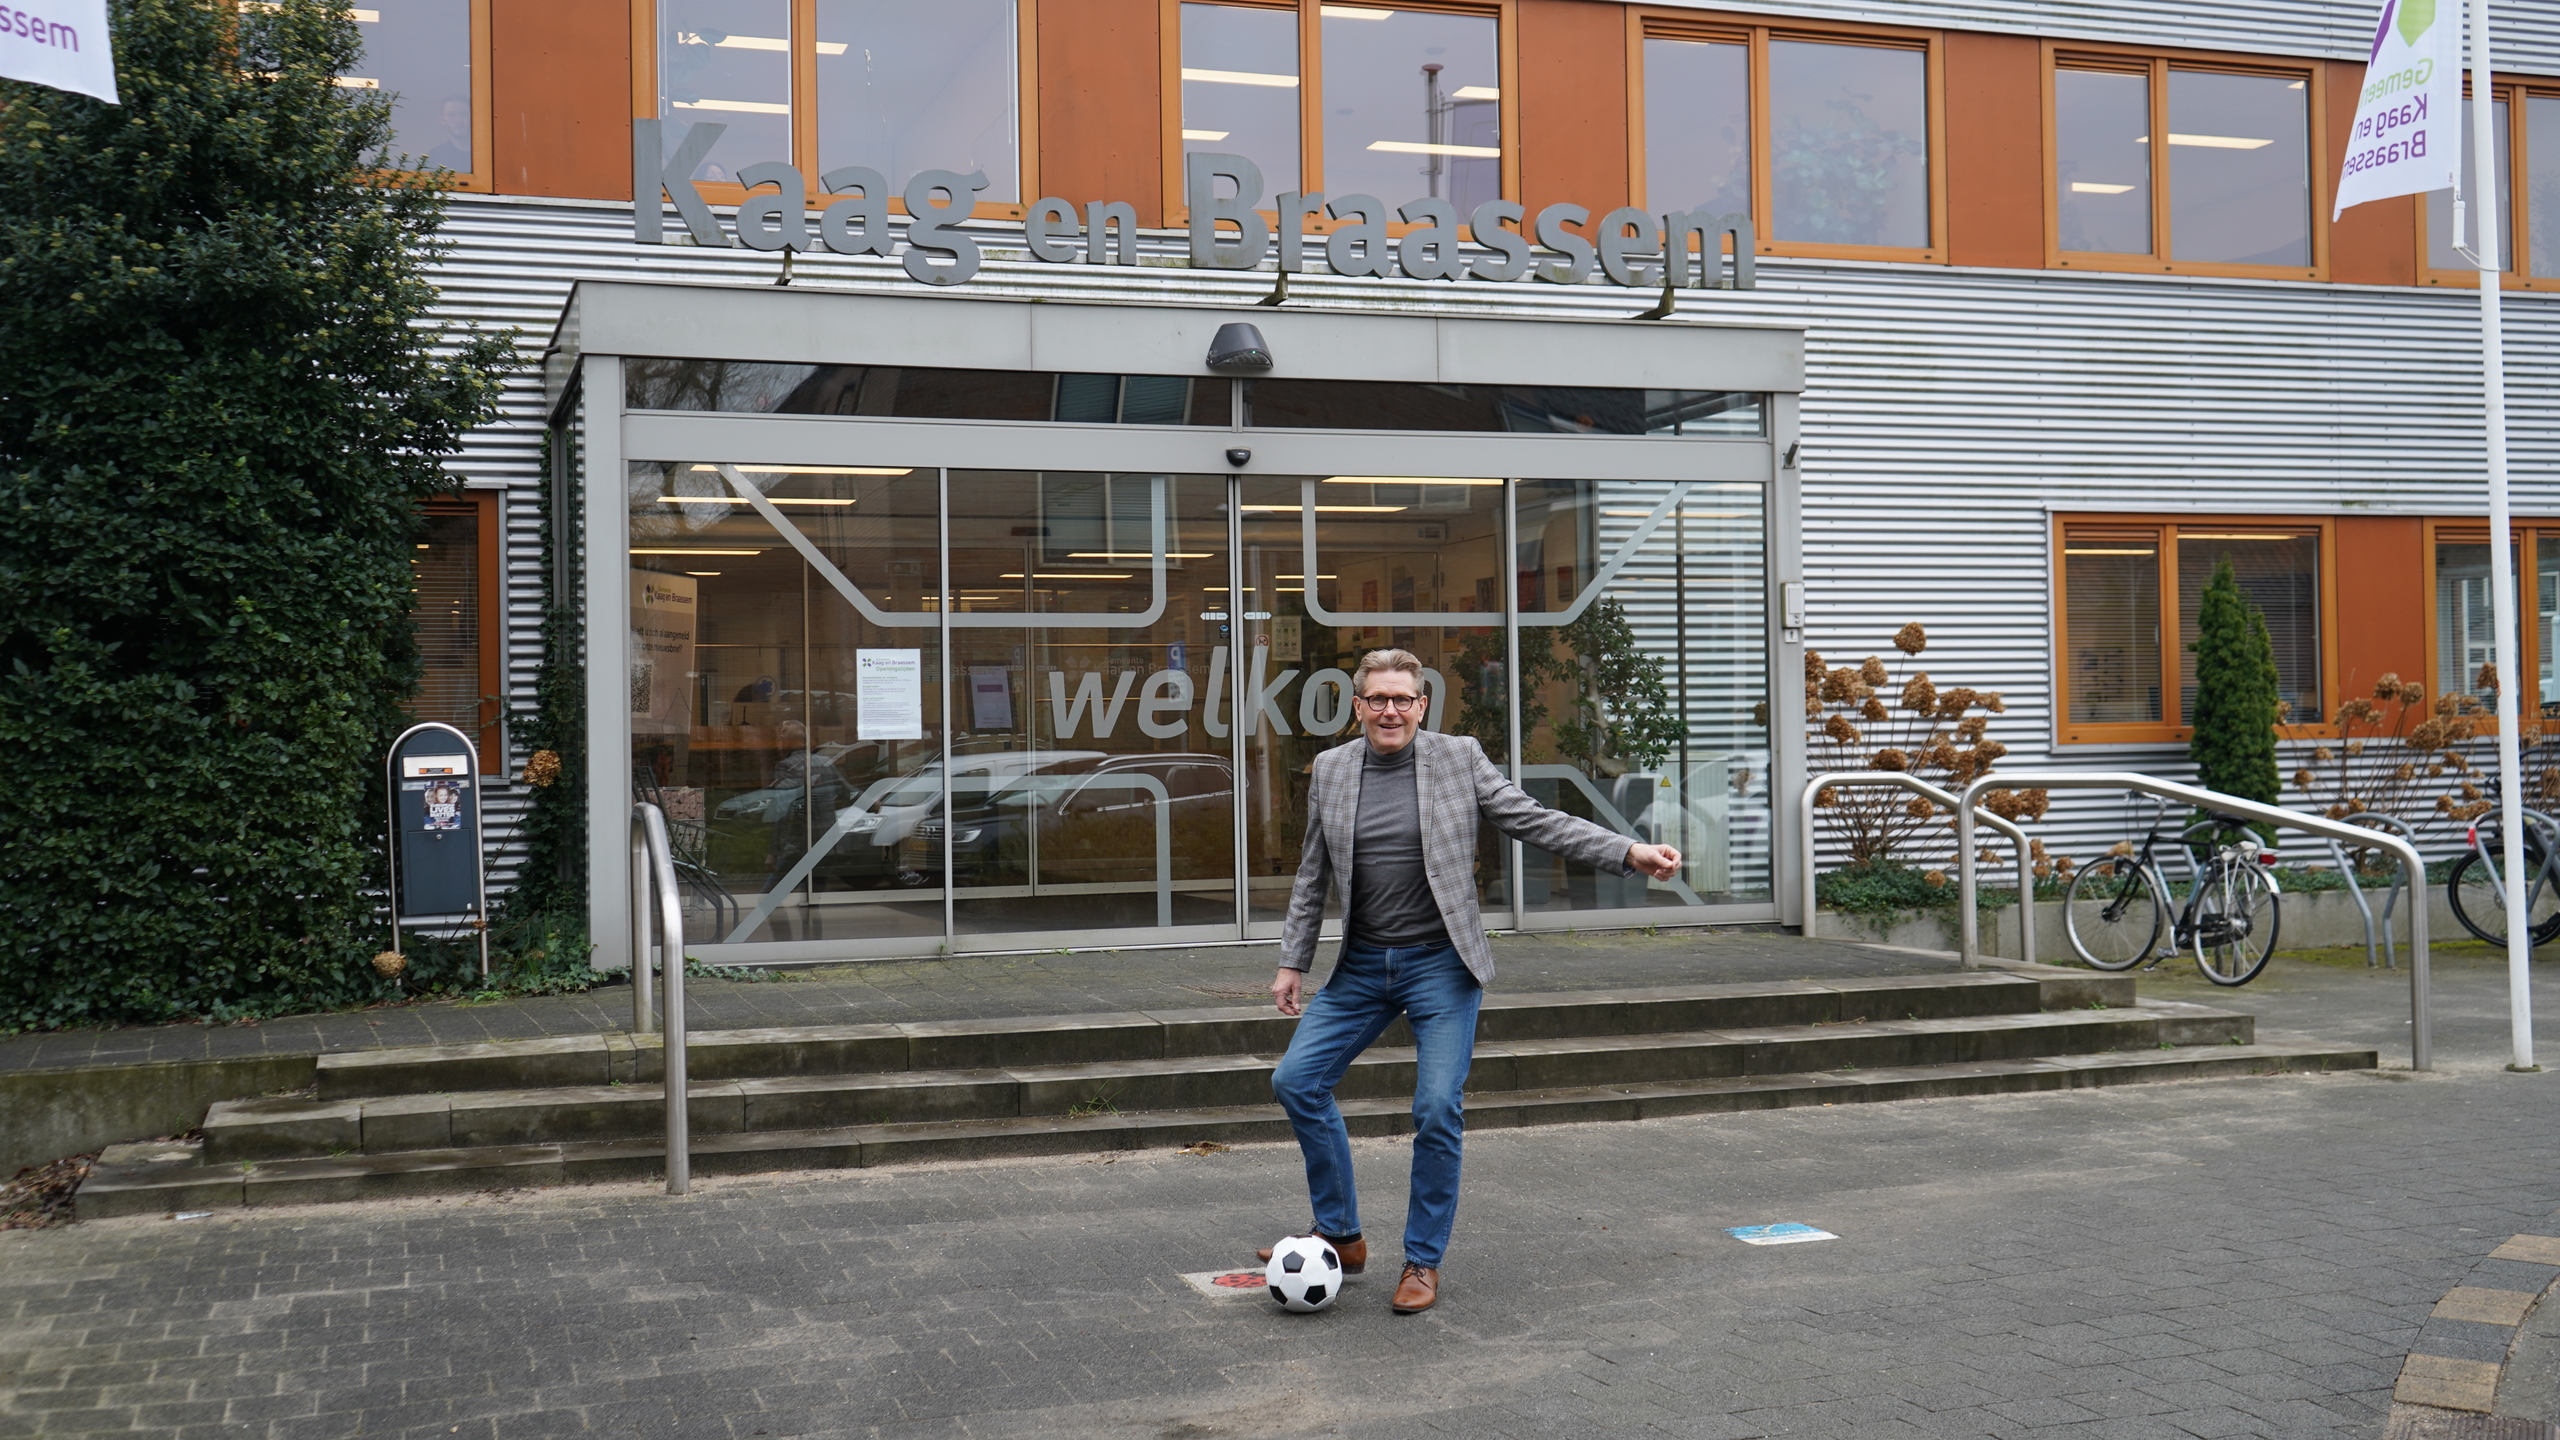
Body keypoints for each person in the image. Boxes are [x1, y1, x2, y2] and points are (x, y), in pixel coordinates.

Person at [1254, 648, 1682, 1314]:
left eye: (1403, 699)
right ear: (1358, 705)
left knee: (1434, 1109)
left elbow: (1534, 819)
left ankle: (1422, 1261)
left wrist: (1627, 850)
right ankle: (1340, 1231)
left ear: (1423, 706)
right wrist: (1292, 961)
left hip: (1440, 967)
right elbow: (1313, 873)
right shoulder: (1333, 771)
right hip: (1363, 965)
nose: (1389, 710)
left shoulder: (1459, 759)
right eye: (1377, 699)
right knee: (1296, 1080)